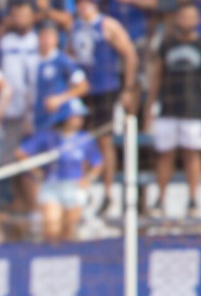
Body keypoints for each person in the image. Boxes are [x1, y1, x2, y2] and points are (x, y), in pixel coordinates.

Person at [69, 0, 137, 216]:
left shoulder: (107, 24)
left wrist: (127, 88)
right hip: (83, 90)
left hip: (105, 88)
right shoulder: (75, 27)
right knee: (80, 140)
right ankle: (84, 190)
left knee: (104, 140)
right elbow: (69, 56)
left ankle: (108, 193)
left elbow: (129, 54)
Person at [17, 99, 101, 243]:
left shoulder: (85, 139)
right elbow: (21, 152)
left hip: (74, 187)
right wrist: (36, 171)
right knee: (51, 229)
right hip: (52, 186)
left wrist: (89, 179)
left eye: (80, 116)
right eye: (75, 116)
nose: (78, 120)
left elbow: (97, 162)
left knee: (69, 230)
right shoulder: (49, 137)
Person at [146, 4, 201, 219]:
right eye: (184, 16)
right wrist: (150, 106)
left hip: (195, 108)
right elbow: (156, 76)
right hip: (168, 106)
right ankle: (160, 198)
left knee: (191, 153)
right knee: (164, 154)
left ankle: (193, 198)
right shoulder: (166, 44)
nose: (187, 20)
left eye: (191, 16)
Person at [0, 1, 40, 215]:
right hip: (10, 113)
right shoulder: (5, 41)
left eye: (25, 14)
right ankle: (19, 209)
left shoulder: (39, 41)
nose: (21, 19)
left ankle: (35, 211)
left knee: (33, 161)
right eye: (17, 15)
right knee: (10, 162)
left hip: (36, 112)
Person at [32, 20, 89, 132]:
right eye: (43, 36)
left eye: (50, 36)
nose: (46, 40)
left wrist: (59, 99)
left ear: (56, 39)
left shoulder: (63, 61)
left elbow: (83, 86)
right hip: (38, 117)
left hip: (59, 117)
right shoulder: (32, 61)